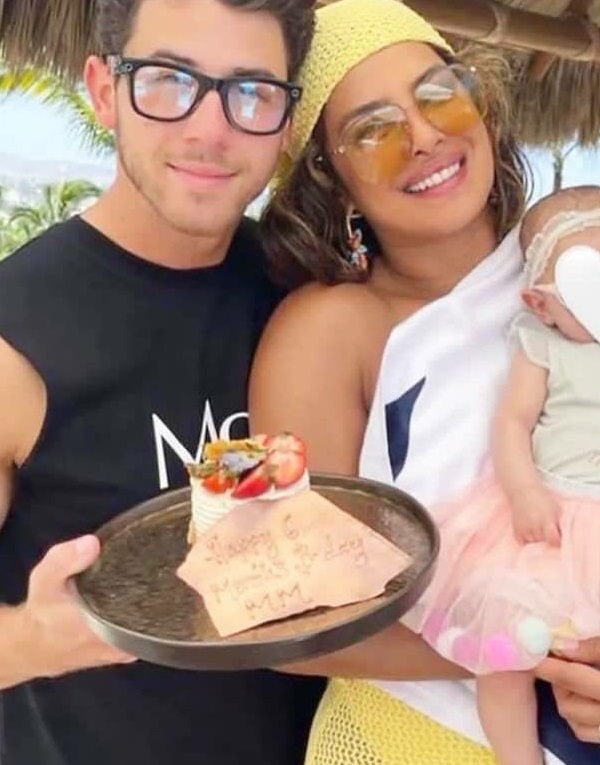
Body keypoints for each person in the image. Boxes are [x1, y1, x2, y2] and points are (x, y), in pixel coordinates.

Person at [251, 0, 600, 763]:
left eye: (441, 95)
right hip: (413, 740)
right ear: (328, 176)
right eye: (373, 130)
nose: (424, 136)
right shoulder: (331, 331)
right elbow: (292, 617)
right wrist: (534, 640)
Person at [0, 1, 326, 764]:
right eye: (169, 80)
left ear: (285, 121)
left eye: (251, 92)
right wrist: (30, 639)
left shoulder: (307, 298)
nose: (210, 129)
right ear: (104, 91)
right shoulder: (16, 335)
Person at [405, 176, 600, 765]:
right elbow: (512, 424)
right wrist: (524, 491)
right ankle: (516, 754)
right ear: (540, 304)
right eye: (584, 289)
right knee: (504, 653)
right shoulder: (546, 349)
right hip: (559, 524)